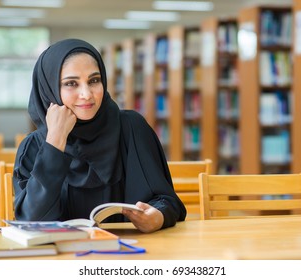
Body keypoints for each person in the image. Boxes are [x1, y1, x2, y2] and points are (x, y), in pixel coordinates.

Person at [13, 38, 186, 233]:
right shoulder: (33, 147)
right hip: (60, 257)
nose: (86, 94)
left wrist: (157, 217)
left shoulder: (132, 128)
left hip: (130, 254)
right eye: (71, 83)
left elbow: (167, 202)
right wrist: (55, 141)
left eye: (94, 80)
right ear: (49, 89)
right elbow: (31, 222)